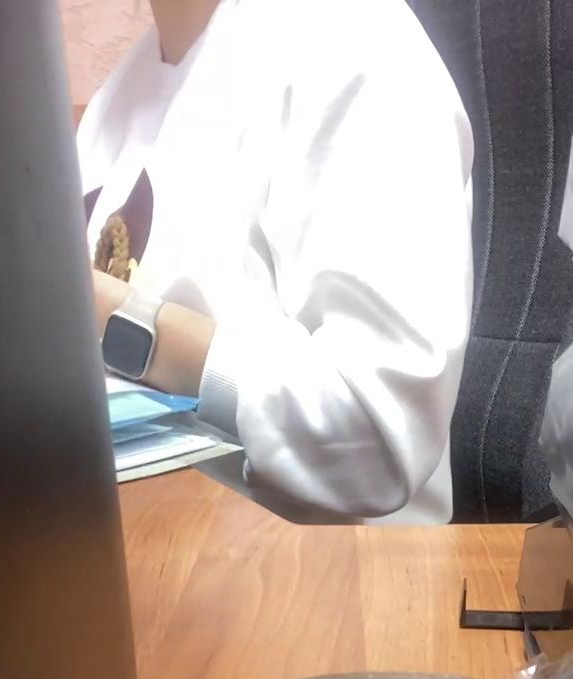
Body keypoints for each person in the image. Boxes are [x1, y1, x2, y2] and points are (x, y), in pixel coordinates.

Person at [79, 0, 474, 524]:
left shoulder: (354, 45)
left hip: (321, 565)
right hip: (143, 535)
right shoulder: (120, 94)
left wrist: (122, 324)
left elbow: (376, 439)